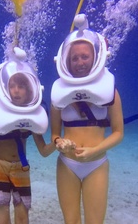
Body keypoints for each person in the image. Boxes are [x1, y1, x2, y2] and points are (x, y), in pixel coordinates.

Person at [50, 14, 124, 224]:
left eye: (85, 56)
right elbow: (55, 133)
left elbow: (119, 133)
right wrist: (59, 142)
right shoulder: (58, 92)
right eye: (75, 58)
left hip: (96, 163)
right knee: (70, 221)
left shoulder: (110, 91)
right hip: (67, 164)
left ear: (95, 57)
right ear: (66, 60)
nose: (80, 62)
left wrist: (95, 150)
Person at [0, 47, 56, 224]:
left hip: (21, 166)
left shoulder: (32, 114)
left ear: (30, 89)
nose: (16, 90)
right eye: (12, 86)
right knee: (2, 216)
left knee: (22, 216)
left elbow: (43, 150)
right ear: (5, 87)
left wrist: (57, 142)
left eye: (21, 86)